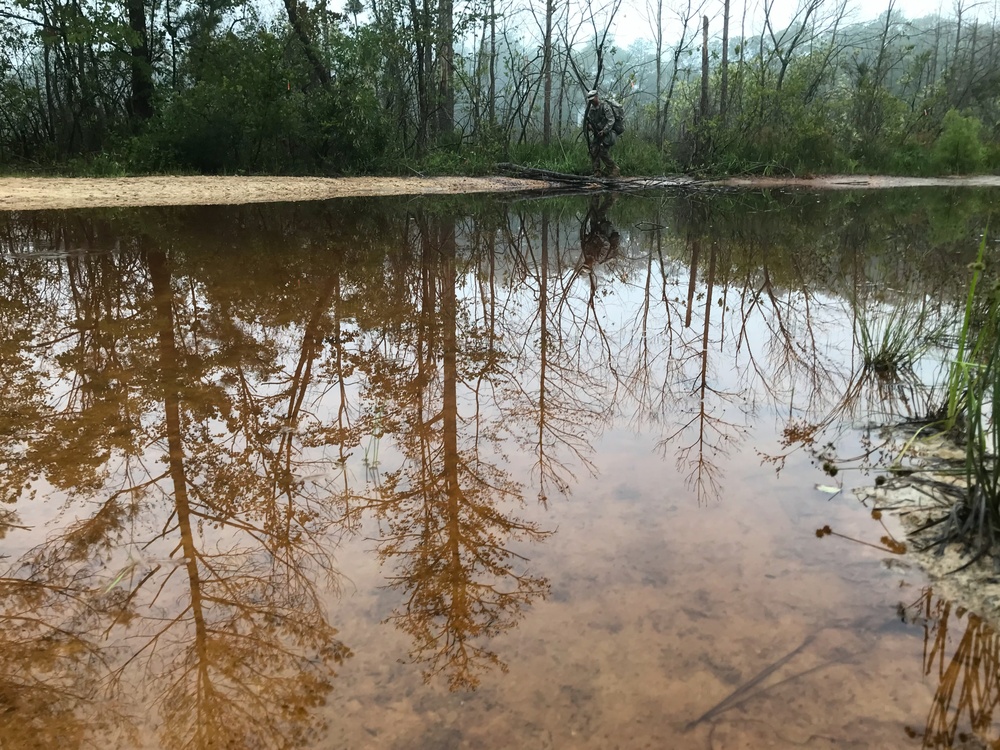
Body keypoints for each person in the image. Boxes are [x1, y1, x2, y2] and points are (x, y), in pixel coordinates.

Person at [584, 89, 620, 178]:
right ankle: (597, 172)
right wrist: (589, 127)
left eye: (593, 99)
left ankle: (614, 169)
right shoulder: (591, 110)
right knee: (594, 150)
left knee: (603, 151)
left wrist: (604, 131)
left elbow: (611, 120)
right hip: (598, 133)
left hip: (608, 133)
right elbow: (590, 121)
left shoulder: (605, 106)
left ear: (596, 97)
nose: (592, 102)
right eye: (590, 100)